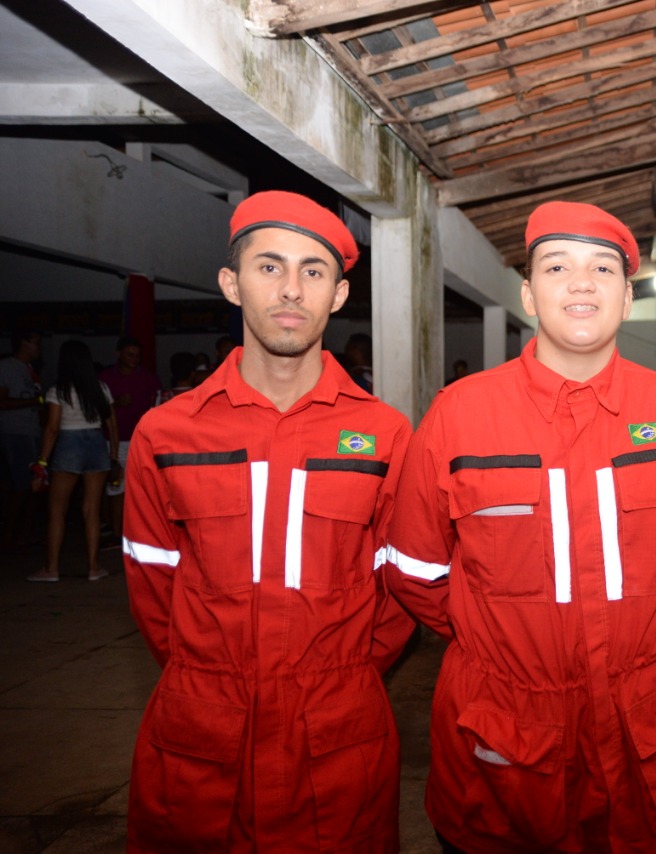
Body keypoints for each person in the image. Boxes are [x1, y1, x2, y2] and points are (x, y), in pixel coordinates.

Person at [385, 201, 656, 853]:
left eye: (603, 268)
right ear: (528, 294)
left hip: (652, 728)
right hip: (508, 730)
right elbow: (416, 571)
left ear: (627, 298)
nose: (581, 282)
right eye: (557, 266)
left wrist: (647, 637)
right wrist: (503, 642)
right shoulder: (459, 415)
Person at [121, 190, 415, 852]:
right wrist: (211, 677)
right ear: (232, 284)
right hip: (202, 734)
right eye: (269, 266)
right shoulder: (166, 434)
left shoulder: (385, 435)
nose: (291, 289)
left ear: (338, 295)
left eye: (314, 271)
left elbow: (396, 596)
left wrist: (337, 677)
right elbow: (152, 586)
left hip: (337, 734)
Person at [27, 339, 118, 582]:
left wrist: (42, 462)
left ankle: (52, 569)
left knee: (57, 511)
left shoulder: (58, 390)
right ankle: (94, 567)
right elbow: (112, 424)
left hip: (69, 444)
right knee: (92, 510)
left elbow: (52, 428)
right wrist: (113, 456)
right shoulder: (100, 388)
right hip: (96, 444)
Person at [100, 335, 161, 539]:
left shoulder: (148, 378)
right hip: (112, 441)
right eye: (130, 355)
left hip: (140, 439)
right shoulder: (106, 378)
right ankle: (116, 531)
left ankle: (129, 531)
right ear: (118, 354)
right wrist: (116, 403)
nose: (134, 359)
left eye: (137, 355)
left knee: (138, 488)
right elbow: (95, 409)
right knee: (114, 486)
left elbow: (157, 407)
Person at [0, 329, 44, 549]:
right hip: (15, 432)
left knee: (34, 484)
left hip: (32, 431)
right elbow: (2, 402)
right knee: (22, 484)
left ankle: (24, 535)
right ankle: (8, 536)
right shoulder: (7, 367)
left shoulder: (30, 369)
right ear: (23, 343)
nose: (39, 347)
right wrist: (35, 402)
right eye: (36, 342)